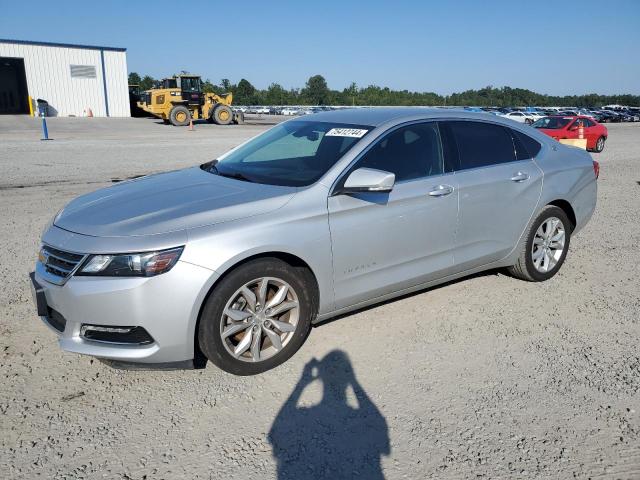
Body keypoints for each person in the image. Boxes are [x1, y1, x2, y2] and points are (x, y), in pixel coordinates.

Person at [269, 350, 390, 479]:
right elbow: (378, 426)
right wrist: (354, 381)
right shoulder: (355, 418)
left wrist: (302, 383)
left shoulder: (307, 416)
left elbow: (276, 431)